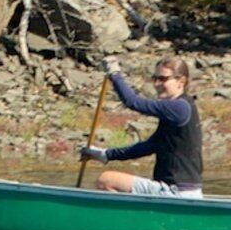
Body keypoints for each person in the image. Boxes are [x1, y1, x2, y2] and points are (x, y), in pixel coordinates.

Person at [84, 57, 204, 196]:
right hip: (185, 191)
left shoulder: (179, 107)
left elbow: (132, 102)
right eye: (155, 78)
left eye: (163, 79)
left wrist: (114, 73)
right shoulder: (175, 112)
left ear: (181, 81)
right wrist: (105, 155)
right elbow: (148, 146)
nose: (157, 84)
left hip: (176, 191)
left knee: (106, 180)